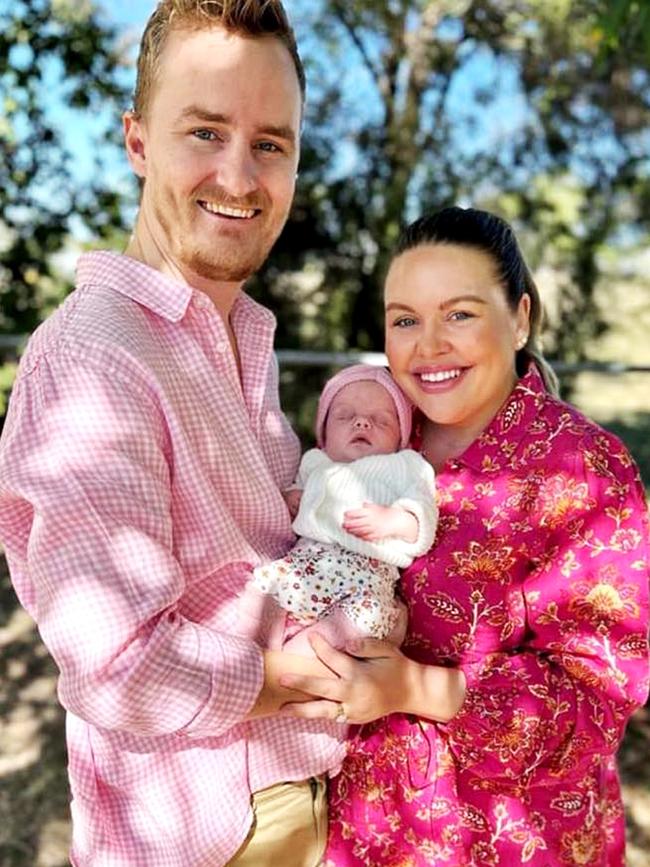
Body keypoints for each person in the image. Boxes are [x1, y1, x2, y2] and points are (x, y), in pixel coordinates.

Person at [0, 2, 346, 865]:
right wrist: (309, 678)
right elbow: (119, 663)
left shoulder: (244, 336)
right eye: (204, 131)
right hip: (203, 837)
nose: (240, 175)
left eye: (272, 143)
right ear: (137, 142)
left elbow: (268, 552)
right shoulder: (93, 359)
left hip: (299, 799)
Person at [278, 206, 650, 866]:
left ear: (522, 317)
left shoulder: (586, 470)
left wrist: (410, 688)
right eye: (404, 319)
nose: (428, 345)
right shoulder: (376, 437)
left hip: (519, 840)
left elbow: (598, 698)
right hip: (369, 826)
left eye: (460, 313)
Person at [245, 363, 436, 657]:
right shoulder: (316, 461)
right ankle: (262, 649)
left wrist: (396, 521)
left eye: (381, 420)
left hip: (366, 576)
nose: (361, 423)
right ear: (324, 432)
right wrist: (292, 498)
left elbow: (423, 514)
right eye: (345, 416)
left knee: (364, 619)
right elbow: (291, 496)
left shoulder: (406, 465)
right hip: (308, 564)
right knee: (260, 592)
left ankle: (302, 655)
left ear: (401, 438)